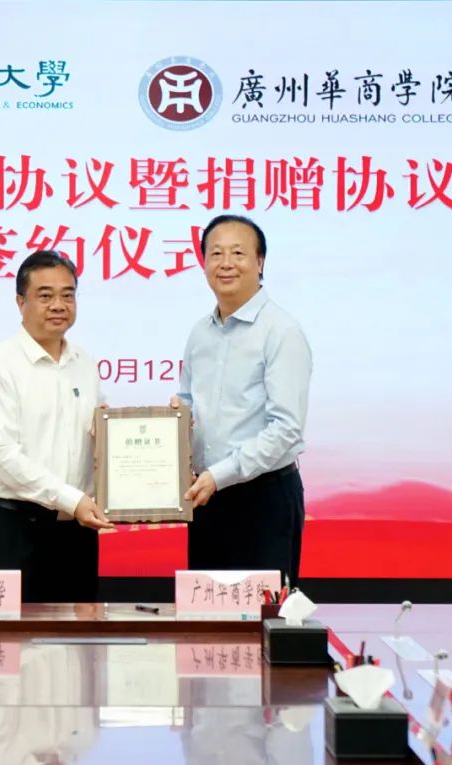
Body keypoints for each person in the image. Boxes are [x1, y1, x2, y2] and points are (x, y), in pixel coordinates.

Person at [173, 215, 312, 587]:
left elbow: (285, 429)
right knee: (206, 612)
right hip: (206, 498)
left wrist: (218, 476)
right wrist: (177, 421)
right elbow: (188, 399)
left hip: (263, 499)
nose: (226, 263)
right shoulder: (200, 333)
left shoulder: (281, 331)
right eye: (215, 253)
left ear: (260, 262)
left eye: (238, 253)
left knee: (263, 615)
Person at [0, 250, 113, 603]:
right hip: (18, 531)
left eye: (68, 295)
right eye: (45, 296)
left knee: (79, 633)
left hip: (76, 532)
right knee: (18, 636)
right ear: (21, 302)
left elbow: (98, 437)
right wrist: (70, 499)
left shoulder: (84, 363)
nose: (58, 305)